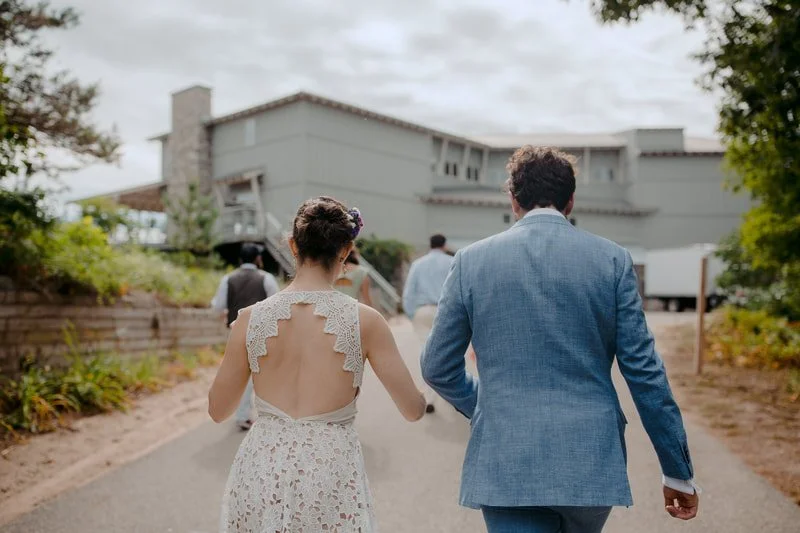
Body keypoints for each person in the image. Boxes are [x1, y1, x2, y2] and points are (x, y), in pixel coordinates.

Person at [421, 146, 699, 533]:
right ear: (570, 201)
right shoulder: (613, 261)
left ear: (512, 200)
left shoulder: (470, 261)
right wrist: (677, 471)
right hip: (589, 459)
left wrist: (485, 405)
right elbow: (646, 374)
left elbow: (436, 367)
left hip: (507, 457)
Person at [209, 196, 426, 532]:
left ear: (293, 246)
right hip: (329, 470)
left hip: (262, 467)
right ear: (345, 249)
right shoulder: (365, 321)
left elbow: (218, 409)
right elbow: (412, 409)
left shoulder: (250, 320)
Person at [210, 243, 279, 430]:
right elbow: (277, 305)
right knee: (263, 371)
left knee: (240, 373)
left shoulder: (228, 279)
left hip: (236, 331)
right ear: (258, 259)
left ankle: (242, 415)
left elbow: (218, 306)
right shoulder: (267, 278)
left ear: (241, 259)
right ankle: (263, 413)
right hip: (263, 332)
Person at [402, 233, 453, 413]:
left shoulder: (418, 264)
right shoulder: (451, 262)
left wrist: (411, 313)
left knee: (426, 352)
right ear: (444, 245)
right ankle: (449, 392)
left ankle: (429, 396)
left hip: (423, 310)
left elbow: (409, 292)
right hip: (446, 311)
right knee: (449, 353)